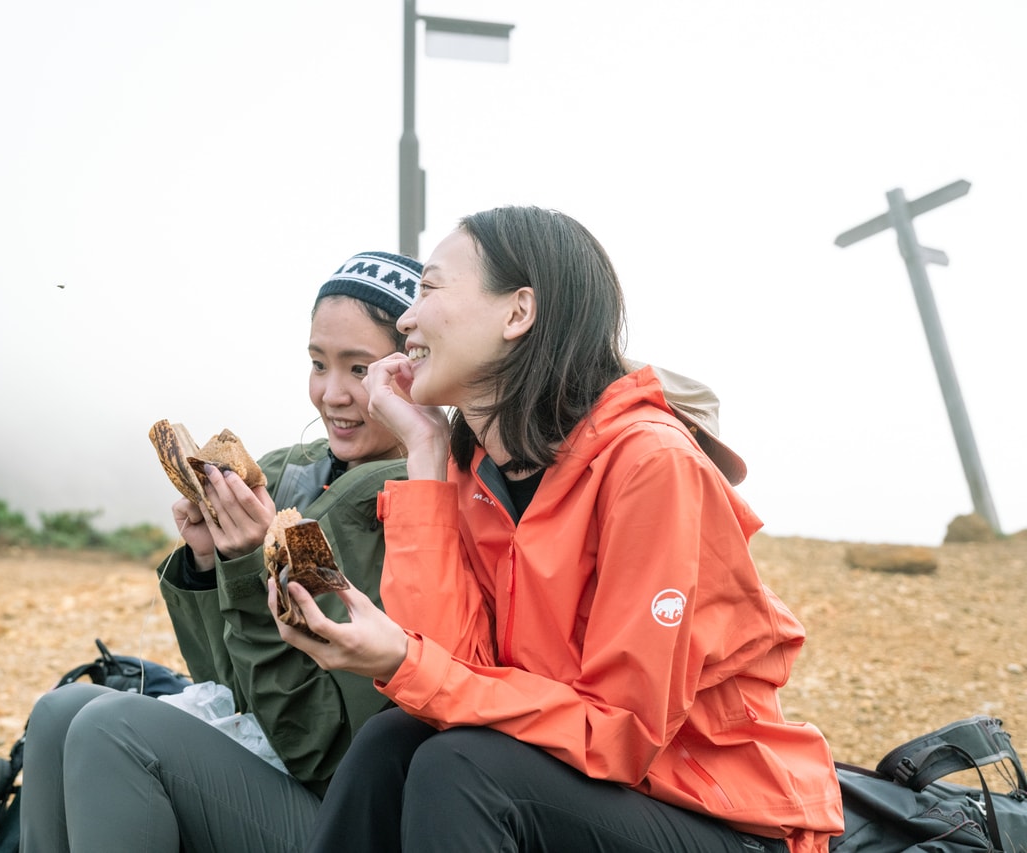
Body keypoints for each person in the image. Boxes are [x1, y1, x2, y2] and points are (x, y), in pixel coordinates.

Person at [270, 206, 845, 852]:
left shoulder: (650, 465)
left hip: (720, 816)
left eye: (429, 289)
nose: (406, 319)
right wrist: (425, 456)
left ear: (518, 312)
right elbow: (455, 679)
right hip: (582, 787)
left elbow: (619, 731)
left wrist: (405, 658)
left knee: (459, 768)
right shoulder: (473, 469)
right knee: (394, 742)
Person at [18, 250, 424, 852]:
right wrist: (210, 565)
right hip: (275, 771)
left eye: (359, 368)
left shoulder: (410, 501)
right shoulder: (290, 475)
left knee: (115, 728)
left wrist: (245, 570)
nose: (332, 394)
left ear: (412, 369)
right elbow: (226, 694)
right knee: (61, 711)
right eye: (317, 363)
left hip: (346, 814)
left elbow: (323, 754)